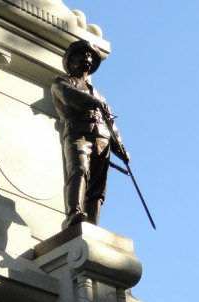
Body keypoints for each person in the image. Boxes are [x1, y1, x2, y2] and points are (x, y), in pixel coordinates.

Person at [52, 40, 129, 227]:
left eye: (89, 56)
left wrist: (121, 149)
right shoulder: (63, 81)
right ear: (71, 60)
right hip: (79, 133)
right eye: (82, 55)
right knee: (79, 169)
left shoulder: (99, 94)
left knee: (97, 186)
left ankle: (93, 223)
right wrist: (93, 102)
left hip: (102, 138)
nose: (86, 58)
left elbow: (111, 124)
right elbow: (69, 96)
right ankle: (74, 212)